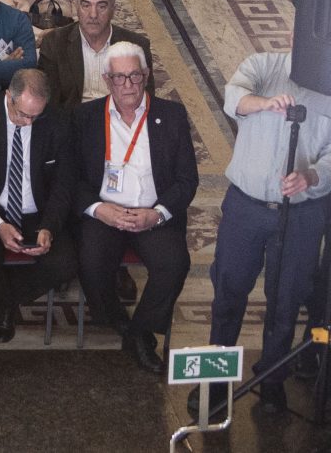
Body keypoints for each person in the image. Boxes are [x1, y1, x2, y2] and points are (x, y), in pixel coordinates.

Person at [205, 47, 331, 417]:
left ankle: (273, 377)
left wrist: (312, 175)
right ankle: (216, 380)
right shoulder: (263, 65)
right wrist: (264, 103)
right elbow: (234, 97)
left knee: (286, 301)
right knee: (228, 293)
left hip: (302, 212)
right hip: (247, 206)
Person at [74, 42, 197, 376]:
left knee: (175, 264)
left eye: (134, 76)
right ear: (107, 79)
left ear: (146, 75)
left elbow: (187, 180)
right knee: (89, 261)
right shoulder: (86, 117)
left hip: (151, 214)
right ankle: (119, 321)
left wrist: (157, 214)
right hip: (105, 214)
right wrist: (98, 209)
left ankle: (139, 332)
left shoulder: (171, 115)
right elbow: (71, 178)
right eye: (119, 77)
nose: (127, 85)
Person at [0, 67, 79, 345]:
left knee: (65, 263)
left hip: (37, 211)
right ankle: (3, 306)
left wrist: (49, 226)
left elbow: (63, 184)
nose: (28, 122)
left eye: (35, 116)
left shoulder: (58, 121)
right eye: (22, 114)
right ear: (9, 95)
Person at [37, 0, 153, 109]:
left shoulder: (137, 46)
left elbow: (145, 102)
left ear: (113, 9)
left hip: (119, 118)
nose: (93, 14)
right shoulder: (54, 43)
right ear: (76, 7)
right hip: (73, 120)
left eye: (101, 6)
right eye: (86, 5)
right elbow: (49, 106)